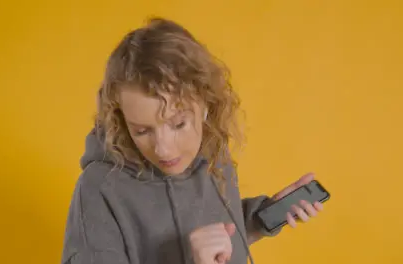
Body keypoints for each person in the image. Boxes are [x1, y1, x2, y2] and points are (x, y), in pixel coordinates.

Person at [61, 17, 324, 264]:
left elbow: (213, 231)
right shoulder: (99, 189)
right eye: (141, 131)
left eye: (178, 124)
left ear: (206, 104)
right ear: (121, 117)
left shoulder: (212, 157)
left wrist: (262, 217)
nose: (163, 148)